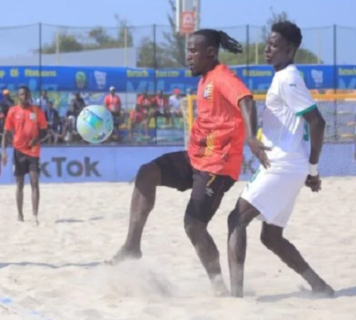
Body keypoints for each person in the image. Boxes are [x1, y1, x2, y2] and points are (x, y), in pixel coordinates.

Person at [107, 29, 269, 296]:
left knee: (194, 225)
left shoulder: (222, 77)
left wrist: (251, 137)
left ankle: (219, 286)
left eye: (194, 51)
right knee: (146, 173)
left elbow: (247, 101)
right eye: (188, 50)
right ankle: (132, 246)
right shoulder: (205, 78)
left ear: (210, 53)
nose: (188, 56)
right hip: (194, 158)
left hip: (217, 166)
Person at [226, 21, 334, 298]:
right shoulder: (284, 77)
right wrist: (308, 170)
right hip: (290, 166)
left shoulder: (288, 78)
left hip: (282, 164)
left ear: (289, 48)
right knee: (271, 237)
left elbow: (317, 122)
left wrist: (313, 168)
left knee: (236, 219)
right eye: (267, 43)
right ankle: (319, 286)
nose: (267, 48)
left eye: (274, 45)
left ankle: (235, 296)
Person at [1, 86, 47, 225]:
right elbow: (6, 133)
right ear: (18, 96)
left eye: (27, 94)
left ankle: (34, 215)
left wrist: (37, 139)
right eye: (22, 94)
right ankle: (20, 214)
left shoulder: (37, 111)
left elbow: (45, 131)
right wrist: (3, 151)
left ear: (30, 95)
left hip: (33, 151)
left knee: (34, 181)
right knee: (19, 183)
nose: (24, 96)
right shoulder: (13, 111)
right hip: (18, 151)